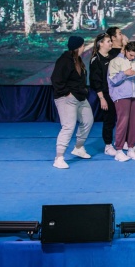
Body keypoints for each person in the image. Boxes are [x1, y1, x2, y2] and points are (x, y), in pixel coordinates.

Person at [50, 36, 94, 169]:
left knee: (88, 120)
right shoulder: (64, 60)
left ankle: (78, 148)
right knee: (68, 126)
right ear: (78, 47)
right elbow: (56, 79)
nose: (84, 47)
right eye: (83, 45)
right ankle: (59, 158)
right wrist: (67, 93)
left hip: (80, 97)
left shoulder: (77, 59)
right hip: (66, 98)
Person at [107, 41, 135, 162]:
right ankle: (119, 150)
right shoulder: (115, 61)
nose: (133, 57)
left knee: (134, 123)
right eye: (131, 55)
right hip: (122, 96)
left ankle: (131, 148)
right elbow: (113, 80)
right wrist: (124, 73)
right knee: (122, 122)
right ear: (125, 51)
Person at [89, 32, 118, 156]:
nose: (111, 43)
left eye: (111, 41)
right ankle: (108, 145)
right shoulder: (96, 60)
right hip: (106, 94)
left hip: (117, 92)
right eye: (108, 41)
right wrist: (102, 98)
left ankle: (121, 141)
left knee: (119, 118)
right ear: (100, 44)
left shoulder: (113, 56)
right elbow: (96, 81)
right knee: (109, 120)